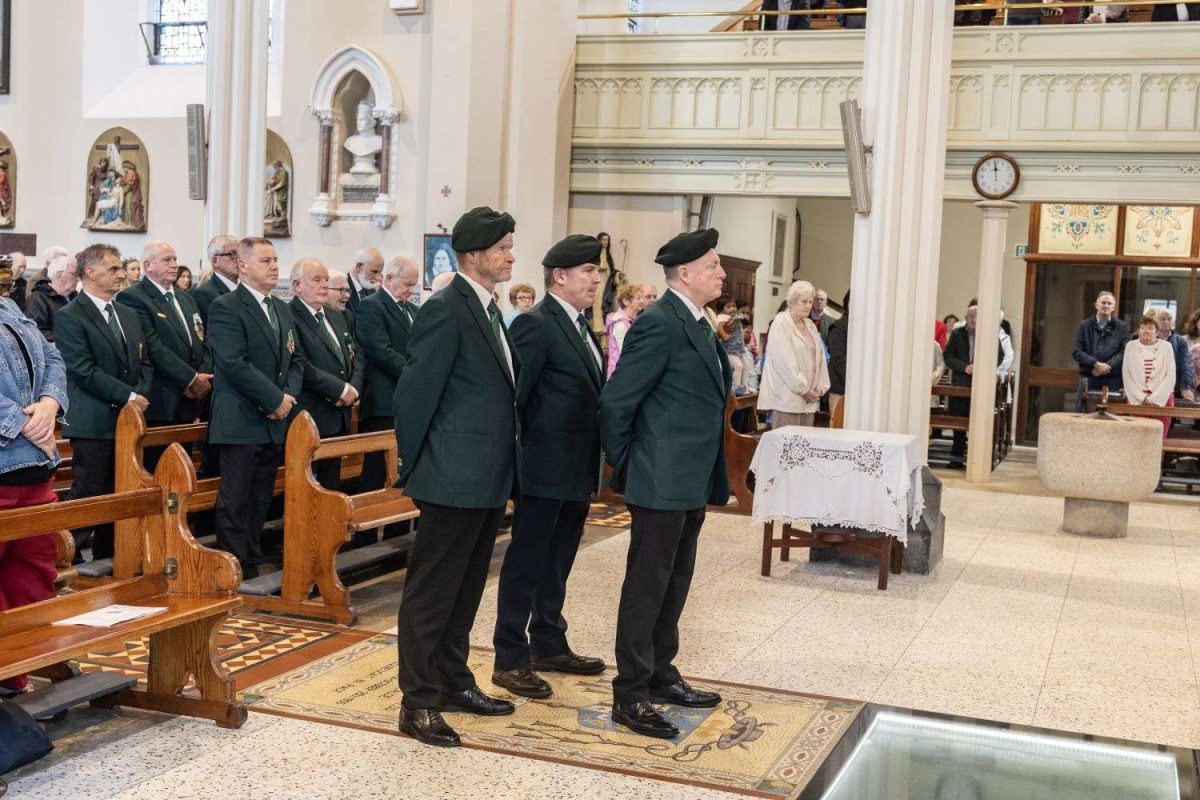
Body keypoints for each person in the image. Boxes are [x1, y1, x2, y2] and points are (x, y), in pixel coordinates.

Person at [393, 207, 522, 748]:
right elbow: (414, 395)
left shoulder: (488, 309)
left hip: (486, 475)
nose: (511, 256)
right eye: (503, 248)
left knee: (466, 589)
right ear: (474, 254)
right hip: (451, 475)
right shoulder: (446, 309)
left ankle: (453, 681)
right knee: (432, 594)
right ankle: (418, 701)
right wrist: (418, 465)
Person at [599, 228, 730, 740]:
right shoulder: (658, 322)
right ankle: (630, 693)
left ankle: (660, 672)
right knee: (647, 585)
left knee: (675, 579)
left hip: (690, 477)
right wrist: (630, 463)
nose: (721, 273)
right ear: (687, 273)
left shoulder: (696, 320)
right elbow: (617, 401)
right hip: (660, 477)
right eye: (713, 266)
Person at [491, 234, 607, 701]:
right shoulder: (535, 324)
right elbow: (515, 400)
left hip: (576, 468)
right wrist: (517, 468)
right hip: (543, 468)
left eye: (597, 272)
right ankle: (509, 657)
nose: (596, 280)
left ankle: (549, 643)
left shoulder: (580, 326)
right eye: (588, 271)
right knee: (527, 563)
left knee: (558, 561)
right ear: (559, 276)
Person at [206, 237, 304, 578]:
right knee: (236, 498)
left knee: (261, 495)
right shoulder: (226, 306)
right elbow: (233, 363)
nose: (275, 266)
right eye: (266, 260)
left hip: (274, 419)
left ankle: (252, 555)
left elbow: (296, 358)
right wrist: (274, 399)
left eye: (275, 260)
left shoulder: (281, 308)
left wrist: (286, 398)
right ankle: (233, 564)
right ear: (243, 265)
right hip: (241, 417)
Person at [55, 245, 152, 562]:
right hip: (93, 421)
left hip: (128, 419)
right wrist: (129, 396)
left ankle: (110, 557)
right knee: (90, 492)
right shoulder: (70, 315)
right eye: (113, 269)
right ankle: (66, 556)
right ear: (90, 272)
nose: (122, 274)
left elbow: (144, 361)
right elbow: (83, 370)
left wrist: (139, 394)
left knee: (120, 491)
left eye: (121, 268)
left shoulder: (127, 314)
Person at [0, 260, 69, 695]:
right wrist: (23, 422)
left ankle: (15, 674)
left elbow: (53, 357)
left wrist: (48, 404)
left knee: (31, 577)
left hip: (34, 468)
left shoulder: (8, 307)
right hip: (6, 461)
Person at [113, 241, 212, 470]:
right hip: (162, 400)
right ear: (148, 265)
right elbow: (152, 347)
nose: (174, 264)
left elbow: (202, 340)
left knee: (182, 471)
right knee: (157, 470)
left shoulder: (186, 298)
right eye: (167, 260)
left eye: (175, 259)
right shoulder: (133, 297)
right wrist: (190, 379)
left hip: (189, 400)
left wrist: (203, 376)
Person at [289, 258, 363, 489]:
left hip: (340, 413)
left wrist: (353, 388)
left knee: (332, 485)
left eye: (326, 280)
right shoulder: (289, 315)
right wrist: (339, 390)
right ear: (297, 285)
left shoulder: (337, 315)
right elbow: (300, 363)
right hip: (311, 411)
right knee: (308, 489)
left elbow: (356, 354)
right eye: (316, 280)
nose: (324, 285)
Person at [357, 255, 419, 507]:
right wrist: (416, 375)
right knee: (376, 470)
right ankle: (368, 527)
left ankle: (399, 525)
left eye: (414, 285)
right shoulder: (372, 306)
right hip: (383, 399)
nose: (411, 290)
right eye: (407, 284)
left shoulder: (412, 310)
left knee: (403, 469)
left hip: (408, 399)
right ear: (389, 278)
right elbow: (380, 350)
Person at [759, 281, 830, 427]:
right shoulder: (781, 323)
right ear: (792, 301)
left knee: (805, 440)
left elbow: (820, 358)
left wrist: (819, 388)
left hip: (809, 401)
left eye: (810, 302)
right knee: (787, 440)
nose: (808, 306)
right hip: (788, 399)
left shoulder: (810, 325)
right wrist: (804, 389)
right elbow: (784, 363)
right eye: (804, 301)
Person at [943, 305, 1004, 468]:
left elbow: (999, 356)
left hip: (982, 384)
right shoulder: (957, 334)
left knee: (979, 425)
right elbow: (948, 356)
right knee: (959, 424)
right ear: (965, 318)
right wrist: (964, 367)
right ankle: (956, 459)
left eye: (977, 317)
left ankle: (977, 462)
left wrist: (982, 366)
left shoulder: (990, 334)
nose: (974, 320)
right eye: (971, 317)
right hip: (961, 383)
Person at [1072, 291, 1129, 410]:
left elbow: (1124, 352)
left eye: (1109, 303)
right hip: (1089, 377)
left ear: (1114, 307)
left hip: (1112, 379)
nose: (1106, 306)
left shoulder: (1122, 327)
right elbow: (1077, 351)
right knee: (1083, 415)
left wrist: (1107, 366)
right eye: (1103, 302)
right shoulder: (1084, 326)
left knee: (1110, 416)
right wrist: (1095, 364)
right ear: (1096, 305)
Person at [1123, 314, 1176, 436]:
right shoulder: (1130, 346)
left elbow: (1170, 375)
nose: (1146, 330)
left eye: (1150, 328)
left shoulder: (1166, 347)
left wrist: (1155, 398)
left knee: (1158, 437)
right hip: (1137, 398)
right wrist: (1141, 397)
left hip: (1163, 397)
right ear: (1138, 331)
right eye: (1142, 327)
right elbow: (1126, 375)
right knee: (1137, 436)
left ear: (1157, 332)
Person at [27, 253, 78, 344]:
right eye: (75, 274)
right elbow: (37, 331)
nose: (78, 279)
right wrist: (69, 337)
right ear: (59, 275)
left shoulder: (76, 297)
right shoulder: (38, 299)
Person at [191, 234, 240, 326]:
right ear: (215, 261)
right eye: (232, 254)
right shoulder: (204, 294)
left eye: (240, 255)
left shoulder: (244, 290)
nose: (239, 260)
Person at [716, 296, 756, 394]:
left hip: (738, 348)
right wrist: (724, 335)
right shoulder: (723, 317)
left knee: (746, 367)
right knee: (738, 366)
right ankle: (737, 387)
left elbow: (741, 330)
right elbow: (720, 327)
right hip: (730, 349)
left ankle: (745, 387)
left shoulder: (735, 317)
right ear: (722, 310)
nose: (732, 308)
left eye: (733, 306)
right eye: (728, 307)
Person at [1154, 309, 1194, 401]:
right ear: (1155, 322)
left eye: (1169, 319)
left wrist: (1186, 387)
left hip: (1173, 388)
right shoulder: (1149, 339)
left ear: (1173, 323)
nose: (1166, 321)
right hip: (1152, 387)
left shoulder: (1180, 341)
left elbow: (1185, 365)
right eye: (1162, 319)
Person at [605, 283, 643, 378]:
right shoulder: (620, 323)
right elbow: (625, 351)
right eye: (638, 298)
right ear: (626, 301)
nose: (642, 301)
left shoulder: (629, 321)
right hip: (619, 375)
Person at [827, 291, 849, 414]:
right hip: (840, 389)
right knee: (838, 423)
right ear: (848, 304)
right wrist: (854, 383)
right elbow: (838, 358)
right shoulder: (839, 327)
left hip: (856, 388)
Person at [348, 247, 383, 313]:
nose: (378, 278)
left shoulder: (373, 292)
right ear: (359, 266)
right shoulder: (341, 289)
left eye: (379, 273)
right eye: (374, 271)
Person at [760, 0, 825, 31]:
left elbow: (804, 25)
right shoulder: (768, 1)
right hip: (772, 42)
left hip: (793, 42)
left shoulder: (803, 1)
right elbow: (762, 24)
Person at [326, 269, 356, 334]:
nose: (347, 295)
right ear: (325, 289)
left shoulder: (347, 315)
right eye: (341, 290)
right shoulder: (316, 316)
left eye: (348, 290)